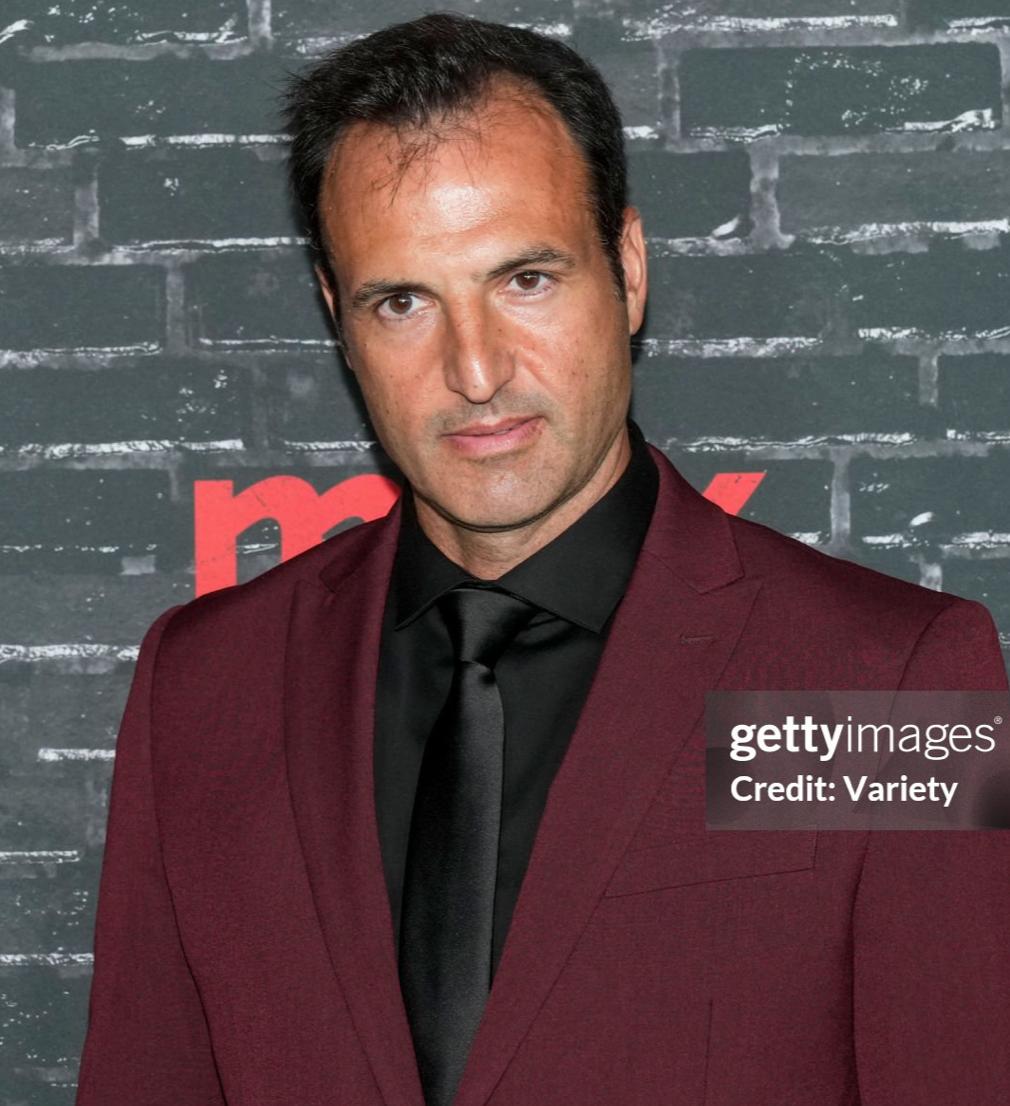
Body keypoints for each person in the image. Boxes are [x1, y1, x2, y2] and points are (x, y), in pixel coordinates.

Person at [75, 13, 1010, 1106]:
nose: (473, 370)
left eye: (524, 279)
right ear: (337, 315)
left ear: (625, 266)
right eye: (404, 300)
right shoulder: (204, 683)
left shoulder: (887, 677)